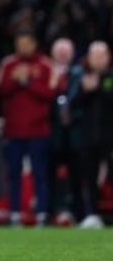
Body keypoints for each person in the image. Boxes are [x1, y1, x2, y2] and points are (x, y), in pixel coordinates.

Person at [0, 31, 56, 227]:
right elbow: (0, 91)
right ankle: (14, 213)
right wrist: (15, 80)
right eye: (19, 44)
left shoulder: (45, 65)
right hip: (13, 130)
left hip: (38, 130)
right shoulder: (8, 64)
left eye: (27, 43)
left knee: (40, 173)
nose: (23, 48)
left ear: (34, 44)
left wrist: (27, 81)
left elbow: (50, 94)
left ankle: (42, 214)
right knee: (13, 174)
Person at [71, 41, 113, 229]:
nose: (98, 59)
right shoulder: (81, 78)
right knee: (89, 177)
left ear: (108, 57)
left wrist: (97, 90)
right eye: (94, 55)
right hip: (89, 137)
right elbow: (73, 105)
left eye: (101, 55)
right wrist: (85, 92)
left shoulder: (110, 78)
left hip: (109, 136)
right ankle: (92, 214)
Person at [47, 38, 83, 224]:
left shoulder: (80, 73)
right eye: (59, 50)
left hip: (75, 133)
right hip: (51, 133)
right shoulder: (45, 72)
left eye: (65, 50)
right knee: (50, 176)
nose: (62, 54)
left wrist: (73, 115)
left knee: (77, 175)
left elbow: (84, 101)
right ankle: (51, 212)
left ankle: (80, 213)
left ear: (72, 52)